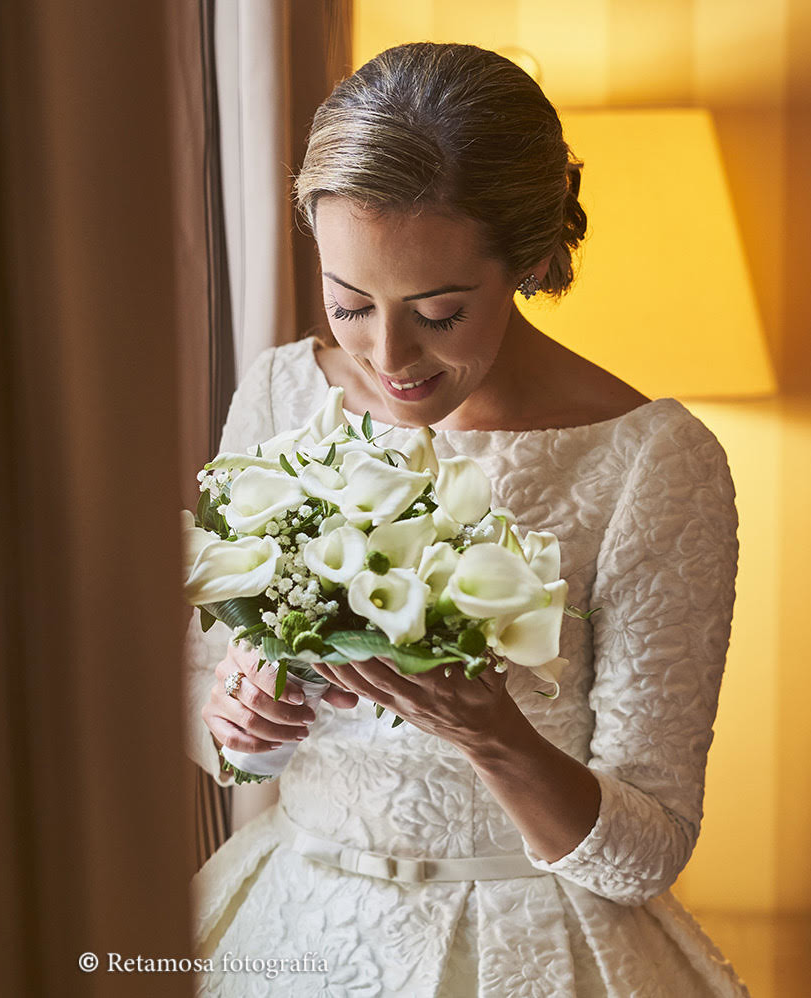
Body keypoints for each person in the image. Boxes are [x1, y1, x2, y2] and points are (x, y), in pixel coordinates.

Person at [184, 42, 752, 996]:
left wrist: (495, 736)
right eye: (349, 304)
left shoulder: (651, 461)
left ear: (530, 259)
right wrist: (246, 718)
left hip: (530, 952)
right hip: (296, 928)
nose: (388, 356)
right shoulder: (284, 391)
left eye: (439, 313)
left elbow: (648, 851)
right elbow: (223, 722)